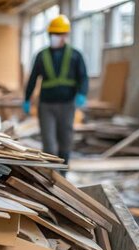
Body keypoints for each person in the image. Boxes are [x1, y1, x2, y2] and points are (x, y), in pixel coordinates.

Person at [22, 14, 88, 164]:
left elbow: (83, 77)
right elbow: (33, 79)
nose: (59, 37)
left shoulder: (75, 55)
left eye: (62, 34)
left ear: (67, 35)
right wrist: (27, 99)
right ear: (49, 34)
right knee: (49, 143)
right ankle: (50, 175)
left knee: (65, 140)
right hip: (46, 106)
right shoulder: (41, 56)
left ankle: (63, 177)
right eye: (55, 34)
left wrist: (82, 93)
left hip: (67, 104)